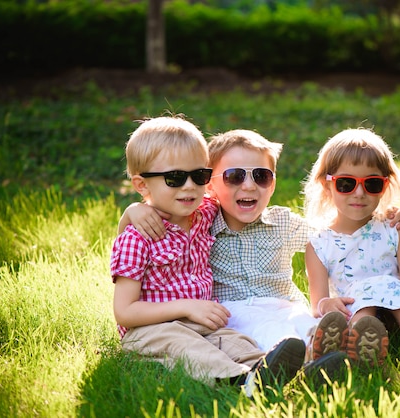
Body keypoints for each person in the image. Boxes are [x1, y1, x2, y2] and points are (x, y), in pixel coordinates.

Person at [119, 128, 400, 382]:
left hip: (285, 303)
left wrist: (380, 220)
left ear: (272, 184)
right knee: (271, 332)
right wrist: (134, 209)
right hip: (236, 311)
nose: (249, 185)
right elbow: (161, 214)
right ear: (211, 185)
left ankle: (341, 355)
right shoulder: (203, 217)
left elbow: (333, 239)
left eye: (261, 176)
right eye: (234, 177)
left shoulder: (282, 222)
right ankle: (311, 365)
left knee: (306, 321)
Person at [111, 116, 306, 394]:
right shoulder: (137, 238)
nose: (189, 186)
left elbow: (235, 196)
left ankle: (289, 378)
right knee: (185, 346)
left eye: (199, 176)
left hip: (204, 324)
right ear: (142, 186)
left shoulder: (202, 214)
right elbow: (125, 312)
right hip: (152, 330)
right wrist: (187, 306)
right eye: (175, 178)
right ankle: (239, 381)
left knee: (240, 344)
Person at [302, 127, 400, 377]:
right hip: (358, 313)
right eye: (346, 183)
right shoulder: (319, 244)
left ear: (385, 185)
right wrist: (327, 303)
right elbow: (317, 303)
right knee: (360, 309)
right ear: (326, 185)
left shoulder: (395, 228)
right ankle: (363, 353)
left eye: (372, 183)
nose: (360, 193)